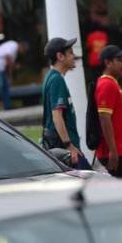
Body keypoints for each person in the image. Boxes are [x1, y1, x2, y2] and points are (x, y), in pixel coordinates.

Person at [41, 37, 89, 169]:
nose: (74, 56)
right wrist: (69, 146)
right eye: (71, 53)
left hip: (61, 146)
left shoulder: (51, 77)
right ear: (60, 56)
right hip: (65, 149)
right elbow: (57, 116)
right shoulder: (57, 80)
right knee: (91, 182)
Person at [95, 44, 122, 177]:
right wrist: (113, 151)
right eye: (120, 60)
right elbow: (104, 118)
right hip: (117, 153)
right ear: (108, 63)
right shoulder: (107, 84)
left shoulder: (113, 83)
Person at [0, 38, 23, 110]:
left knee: (6, 86)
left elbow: (9, 65)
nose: (21, 52)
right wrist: (14, 66)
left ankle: (7, 106)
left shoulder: (15, 52)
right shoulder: (14, 44)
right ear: (21, 46)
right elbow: (8, 58)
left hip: (1, 68)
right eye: (22, 50)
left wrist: (10, 77)